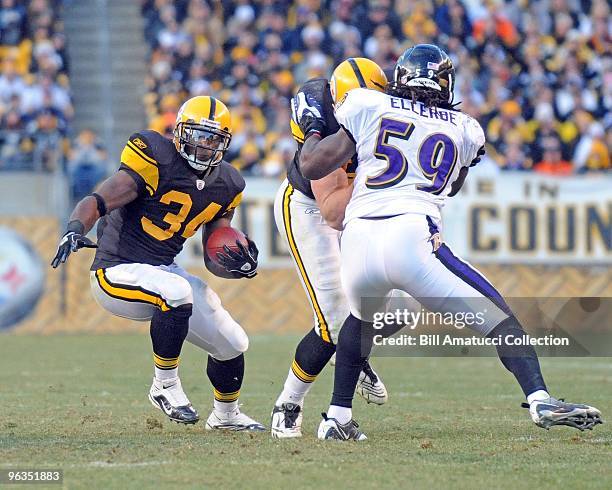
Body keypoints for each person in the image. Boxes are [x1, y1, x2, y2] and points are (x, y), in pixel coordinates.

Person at [293, 44, 602, 440]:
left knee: (360, 319)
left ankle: (337, 417)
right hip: (411, 238)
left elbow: (312, 164)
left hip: (356, 242)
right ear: (445, 83)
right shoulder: (465, 128)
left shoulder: (367, 104)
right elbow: (451, 186)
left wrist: (315, 126)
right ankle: (540, 398)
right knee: (500, 318)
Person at [51, 96, 265, 431]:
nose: (203, 145)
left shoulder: (228, 184)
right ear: (179, 131)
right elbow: (100, 198)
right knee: (177, 290)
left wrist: (236, 263)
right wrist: (76, 228)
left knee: (232, 342)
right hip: (116, 270)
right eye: (197, 134)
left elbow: (214, 253)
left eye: (213, 139)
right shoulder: (154, 154)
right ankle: (164, 385)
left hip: (162, 271)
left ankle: (226, 415)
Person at [270, 58, 389, 439]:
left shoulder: (389, 110)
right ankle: (288, 405)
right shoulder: (322, 114)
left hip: (360, 208)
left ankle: (354, 355)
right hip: (311, 207)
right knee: (335, 319)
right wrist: (382, 170)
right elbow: (333, 211)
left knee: (399, 305)